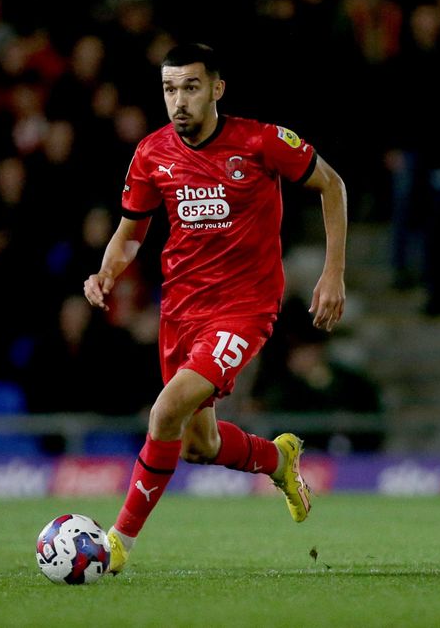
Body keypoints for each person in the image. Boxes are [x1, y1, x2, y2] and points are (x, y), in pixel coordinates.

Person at [84, 43, 347, 575]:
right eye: (169, 89)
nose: (179, 100)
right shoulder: (151, 154)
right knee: (197, 445)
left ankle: (116, 544)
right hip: (181, 311)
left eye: (191, 87)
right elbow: (130, 233)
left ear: (217, 89)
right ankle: (278, 459)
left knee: (163, 413)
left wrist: (332, 271)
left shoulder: (261, 141)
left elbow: (332, 185)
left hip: (244, 308)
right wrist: (107, 270)